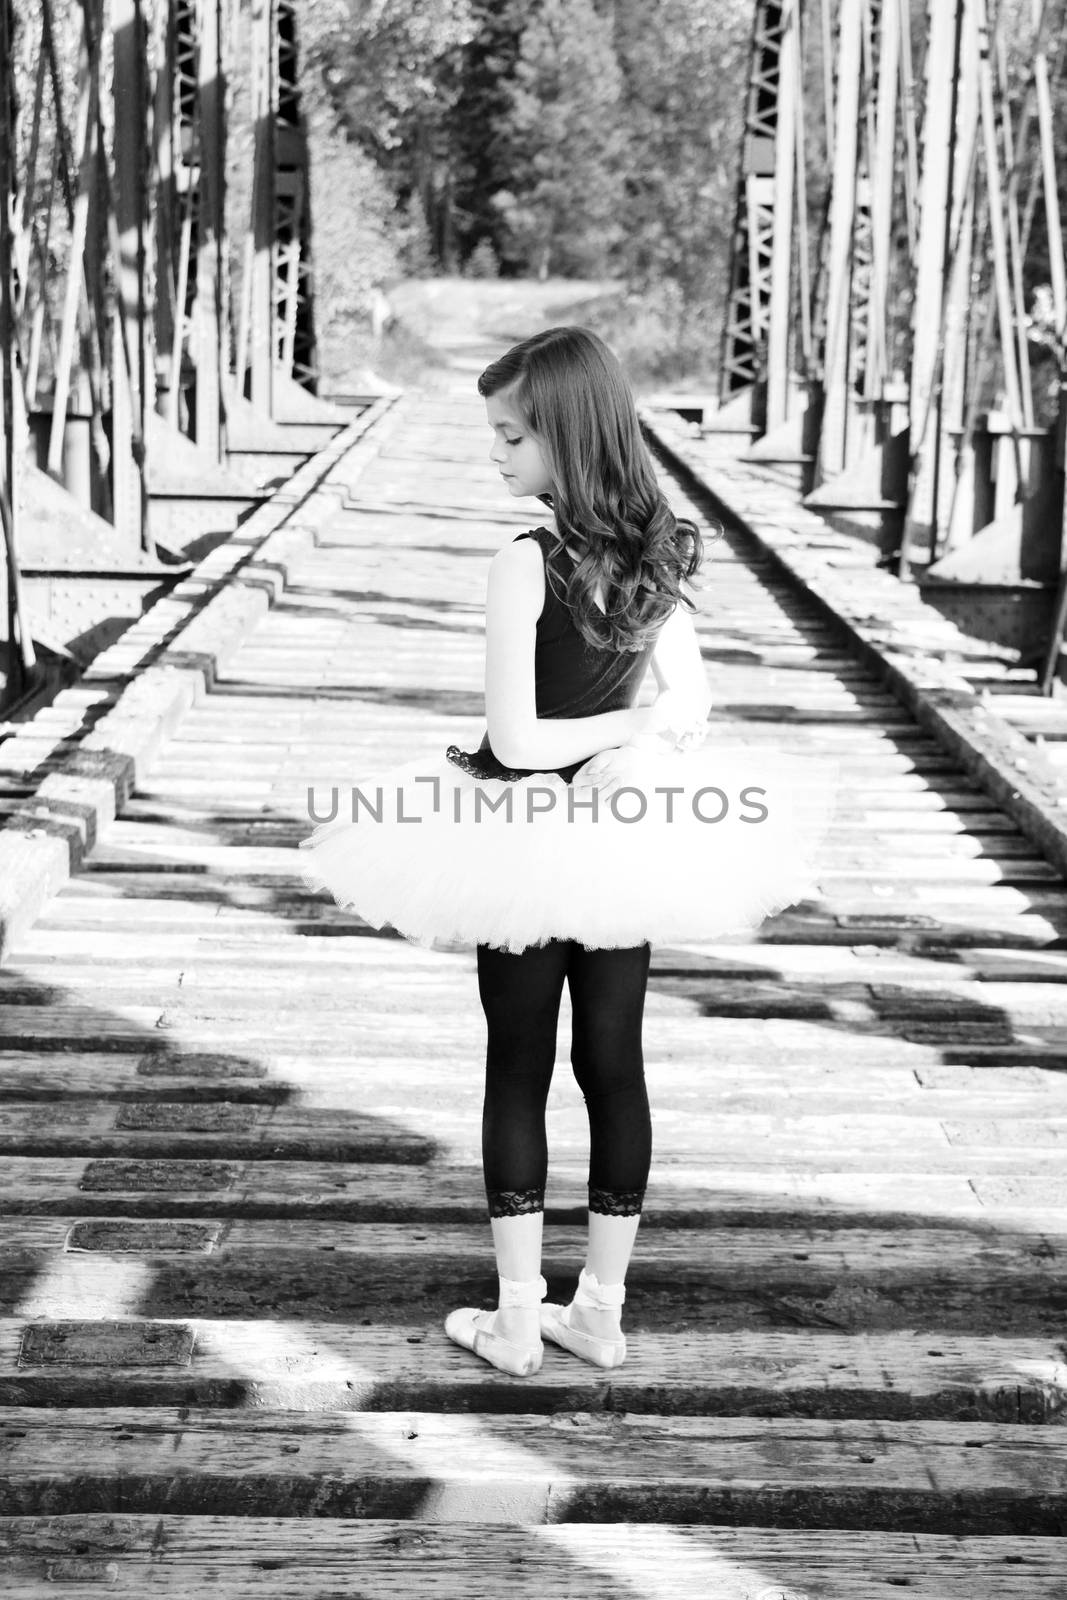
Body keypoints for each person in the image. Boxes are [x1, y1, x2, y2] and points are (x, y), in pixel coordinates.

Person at [299, 326, 840, 1379]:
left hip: (518, 837)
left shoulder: (524, 560)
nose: (493, 454)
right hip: (619, 838)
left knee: (518, 1063)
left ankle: (515, 1318)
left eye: (509, 435)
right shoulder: (658, 544)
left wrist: (606, 738)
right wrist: (635, 739)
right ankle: (598, 1312)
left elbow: (512, 743)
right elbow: (687, 701)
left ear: (564, 431)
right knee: (610, 1064)